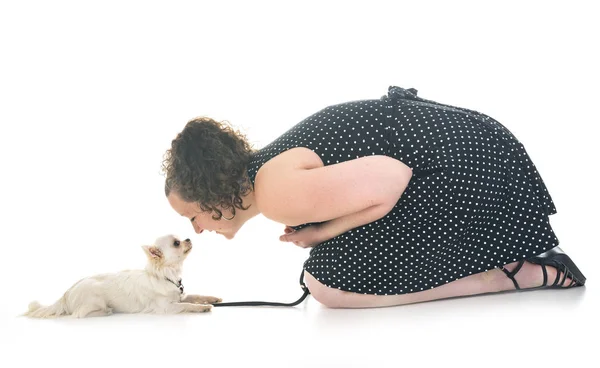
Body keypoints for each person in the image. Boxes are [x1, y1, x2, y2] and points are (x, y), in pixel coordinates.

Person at [161, 86, 586, 308]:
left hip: (474, 169)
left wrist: (322, 232)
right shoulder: (269, 171)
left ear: (212, 194)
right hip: (481, 154)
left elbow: (390, 180)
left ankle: (519, 272)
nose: (197, 228)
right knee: (326, 270)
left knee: (325, 284)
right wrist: (321, 234)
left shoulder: (273, 191)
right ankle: (511, 263)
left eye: (193, 215)